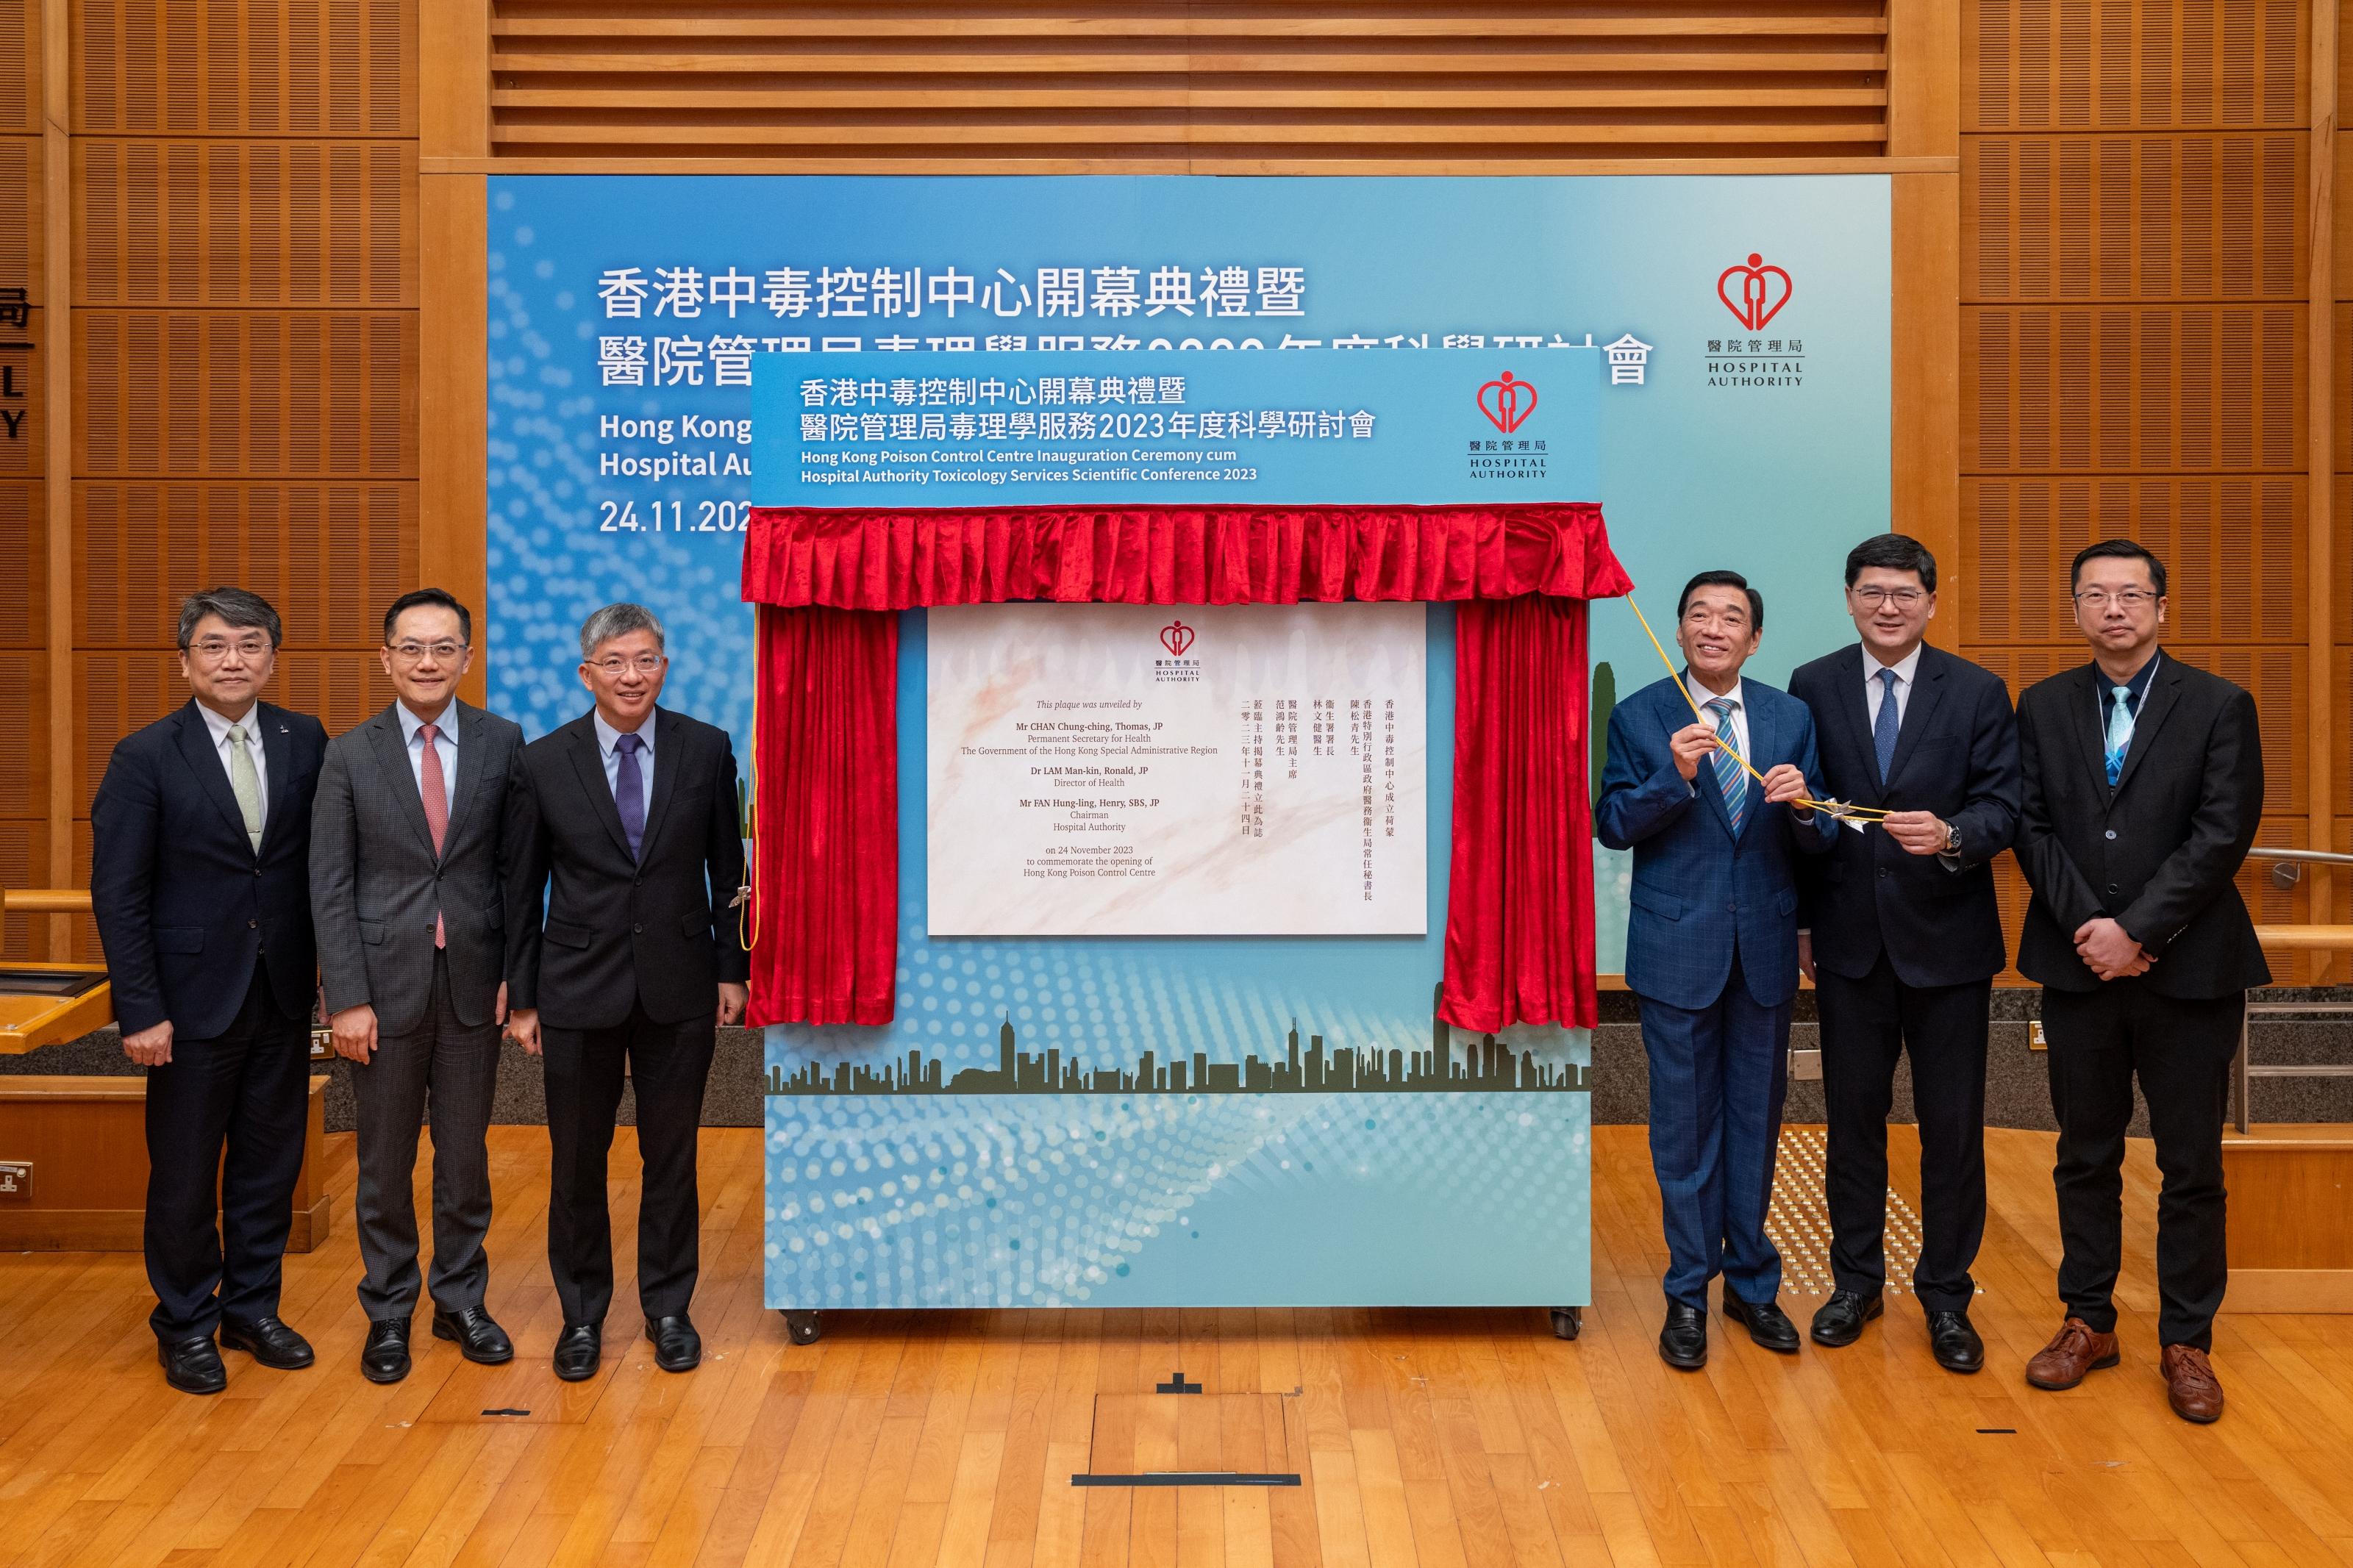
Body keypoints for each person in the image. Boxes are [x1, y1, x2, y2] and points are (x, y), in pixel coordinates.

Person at [2013, 539, 2265, 1424]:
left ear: (2162, 607)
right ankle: (2087, 1319)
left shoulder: (2217, 705)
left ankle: (2185, 1339)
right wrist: (2094, 930)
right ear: (2074, 610)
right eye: (2094, 595)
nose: (2112, 609)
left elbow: (2221, 831)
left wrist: (2139, 930)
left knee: (2189, 1162)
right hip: (2078, 965)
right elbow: (2031, 825)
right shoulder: (2040, 706)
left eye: (2130, 595)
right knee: (2084, 1153)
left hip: (2188, 970)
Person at [1789, 534, 2021, 1373]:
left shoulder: (1976, 691)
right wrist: (1805, 926)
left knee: (1951, 1129)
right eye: (1872, 592)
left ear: (1930, 601)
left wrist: (1956, 833)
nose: (1888, 607)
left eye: (1904, 594)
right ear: (1848, 598)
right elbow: (1805, 812)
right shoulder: (1811, 685)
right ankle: (1853, 1283)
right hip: (1849, 946)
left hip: (1948, 948)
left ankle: (1947, 1296)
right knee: (1851, 1123)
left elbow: (2005, 805)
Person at [89, 588, 329, 1395]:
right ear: (186, 658)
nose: (234, 661)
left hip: (283, 990)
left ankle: (252, 1309)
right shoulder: (145, 756)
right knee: (187, 1170)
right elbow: (119, 894)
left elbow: (316, 870)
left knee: (270, 1162)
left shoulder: (305, 739)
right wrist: (141, 1007)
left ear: (272, 656)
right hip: (187, 1003)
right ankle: (186, 1320)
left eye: (250, 645)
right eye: (216, 646)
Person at [1597, 570, 1836, 1370]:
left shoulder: (1788, 716)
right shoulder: (1641, 715)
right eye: (1698, 613)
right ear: (1678, 629)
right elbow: (1611, 824)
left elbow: (1820, 839)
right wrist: (1677, 777)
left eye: (1730, 616)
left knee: (1754, 1124)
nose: (1713, 627)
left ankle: (1752, 1286)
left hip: (1763, 951)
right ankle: (1685, 1292)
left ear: (1753, 638)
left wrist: (1806, 806)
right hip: (1677, 953)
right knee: (1682, 1130)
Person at [504, 604, 749, 1381]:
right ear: (587, 674)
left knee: (670, 1157)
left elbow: (726, 874)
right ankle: (581, 1316)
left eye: (645, 660)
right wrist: (524, 997)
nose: (631, 676)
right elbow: (522, 888)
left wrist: (729, 969)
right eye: (614, 662)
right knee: (577, 1161)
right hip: (575, 990)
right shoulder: (544, 761)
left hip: (680, 988)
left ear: (664, 668)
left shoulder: (706, 751)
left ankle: (668, 1309)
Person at [310, 589, 526, 1383]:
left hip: (473, 984)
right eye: (411, 647)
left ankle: (460, 1299)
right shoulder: (350, 753)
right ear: (386, 657)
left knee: (464, 1157)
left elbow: (514, 871)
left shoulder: (503, 742)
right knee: (384, 1160)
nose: (427, 661)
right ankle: (390, 1309)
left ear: (467, 658)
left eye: (443, 648)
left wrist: (513, 976)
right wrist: (347, 997)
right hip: (381, 988)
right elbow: (329, 883)